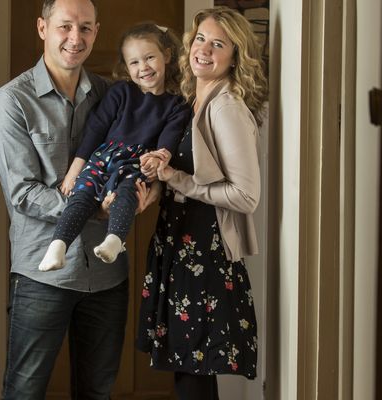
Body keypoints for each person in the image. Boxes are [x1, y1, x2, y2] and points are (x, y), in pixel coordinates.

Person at [0, 0, 135, 398]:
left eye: (85, 28)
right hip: (42, 274)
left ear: (96, 32)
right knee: (24, 391)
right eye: (65, 26)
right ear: (42, 28)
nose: (76, 38)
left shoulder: (112, 96)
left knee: (97, 391)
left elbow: (129, 159)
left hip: (107, 276)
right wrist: (94, 208)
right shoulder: (13, 100)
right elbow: (22, 193)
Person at [136, 7, 268, 400]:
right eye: (200, 39)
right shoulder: (193, 100)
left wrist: (175, 179)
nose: (204, 49)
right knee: (187, 369)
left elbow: (246, 195)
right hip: (178, 242)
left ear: (235, 57)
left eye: (218, 44)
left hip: (204, 253)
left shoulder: (227, 107)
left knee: (193, 371)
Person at [38, 22, 191, 272]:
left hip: (137, 163)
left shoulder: (177, 104)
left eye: (149, 58)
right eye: (134, 62)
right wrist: (75, 169)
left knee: (127, 194)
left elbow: (169, 138)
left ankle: (114, 240)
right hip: (103, 158)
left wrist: (157, 160)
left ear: (166, 55)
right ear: (126, 67)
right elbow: (95, 129)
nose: (143, 67)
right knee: (81, 195)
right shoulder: (121, 92)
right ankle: (58, 245)